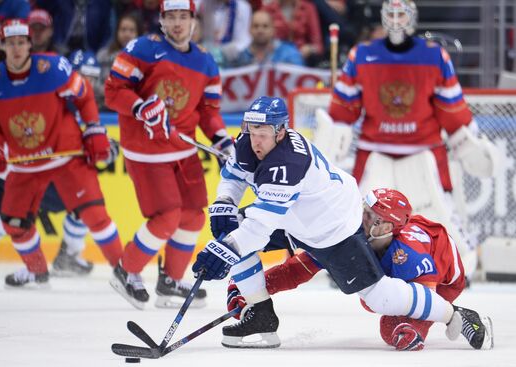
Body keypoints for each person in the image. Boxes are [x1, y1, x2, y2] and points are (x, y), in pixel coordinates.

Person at [191, 95, 493, 351]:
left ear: (281, 131)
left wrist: (224, 251)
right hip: (299, 217)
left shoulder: (288, 164)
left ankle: (455, 314)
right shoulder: (248, 141)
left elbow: (260, 226)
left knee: (381, 298)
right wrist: (224, 203)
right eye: (251, 130)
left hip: (334, 227)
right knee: (229, 226)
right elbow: (233, 175)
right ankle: (260, 317)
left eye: (264, 132)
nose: (256, 139)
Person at [327, 0, 499, 281]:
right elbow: (342, 111)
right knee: (359, 215)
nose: (396, 20)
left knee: (439, 214)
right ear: (383, 17)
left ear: (412, 17)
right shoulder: (362, 55)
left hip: (422, 150)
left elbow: (451, 107)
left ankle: (457, 267)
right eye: (390, 14)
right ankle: (348, 267)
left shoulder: (434, 56)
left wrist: (468, 142)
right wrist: (332, 144)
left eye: (401, 14)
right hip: (376, 150)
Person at [104, 0, 234, 309]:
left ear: (193, 20)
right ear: (161, 20)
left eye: (183, 16)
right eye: (170, 17)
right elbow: (113, 91)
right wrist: (140, 106)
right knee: (166, 217)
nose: (177, 23)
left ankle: (171, 280)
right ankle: (127, 269)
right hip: (147, 150)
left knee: (192, 216)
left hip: (184, 148)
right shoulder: (143, 49)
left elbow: (208, 111)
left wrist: (221, 141)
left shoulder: (206, 61)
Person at [0, 19, 124, 287]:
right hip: (20, 165)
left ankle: (76, 258)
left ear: (30, 45)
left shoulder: (55, 72)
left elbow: (85, 112)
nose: (17, 48)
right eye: (11, 43)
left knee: (87, 210)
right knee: (7, 219)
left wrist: (97, 133)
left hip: (58, 161)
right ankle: (20, 265)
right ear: (2, 45)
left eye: (21, 42)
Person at [227, 188, 468, 351]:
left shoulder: (409, 254)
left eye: (372, 216)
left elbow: (427, 297)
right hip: (409, 275)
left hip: (443, 284)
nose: (362, 217)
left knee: (390, 327)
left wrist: (420, 325)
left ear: (387, 228)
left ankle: (458, 313)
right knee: (377, 300)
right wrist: (254, 292)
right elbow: (299, 268)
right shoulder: (351, 233)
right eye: (364, 210)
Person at [225, 9, 304, 68]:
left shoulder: (289, 52)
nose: (260, 30)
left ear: (273, 30)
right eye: (256, 26)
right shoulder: (240, 58)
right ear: (249, 30)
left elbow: (298, 73)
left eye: (265, 26)